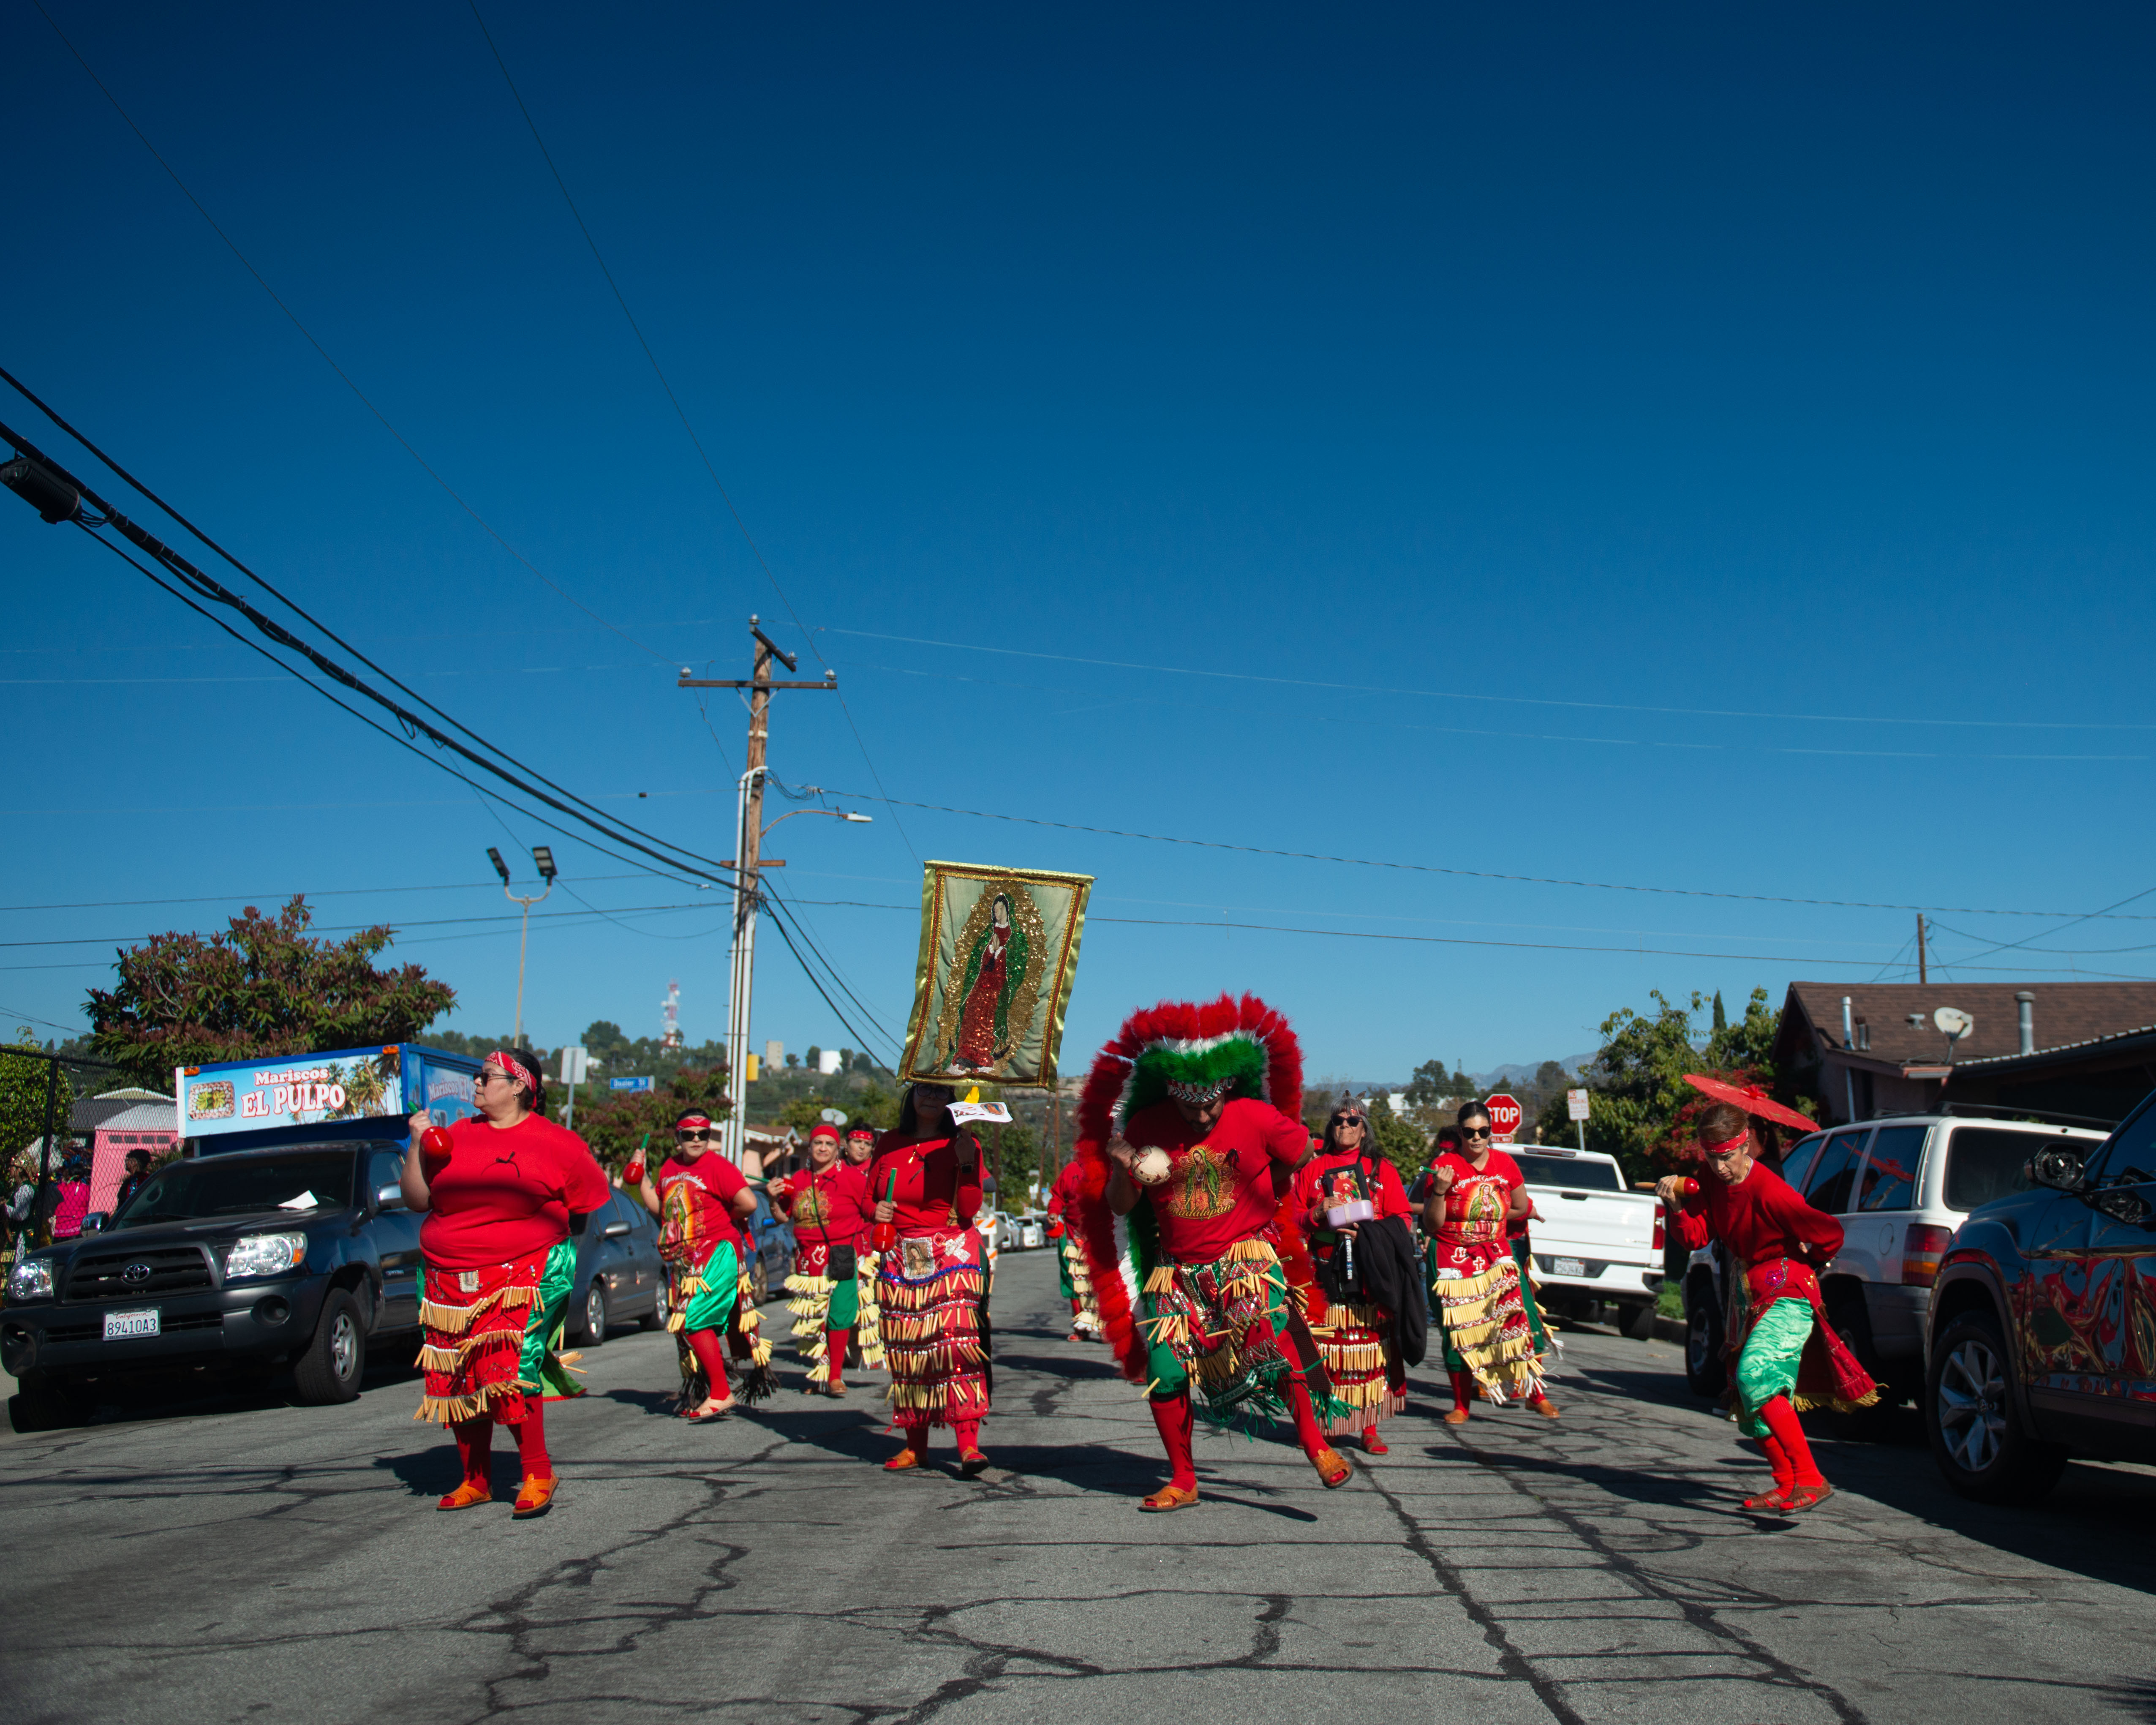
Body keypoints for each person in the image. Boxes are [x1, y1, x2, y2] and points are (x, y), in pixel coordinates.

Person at [1072, 994, 1353, 1512]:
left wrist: (1275, 1190)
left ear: (1226, 1087)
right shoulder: (1145, 1129)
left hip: (1245, 1260)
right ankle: (1183, 1478)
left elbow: (1304, 1151)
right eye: (1189, 1105)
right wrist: (1121, 1165)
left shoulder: (1256, 1115)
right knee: (1166, 1371)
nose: (1201, 1114)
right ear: (1170, 1093)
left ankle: (1317, 1446)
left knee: (1272, 1347)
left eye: (1211, 1103)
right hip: (1175, 1271)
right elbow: (1121, 1206)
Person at [402, 1048, 610, 1518]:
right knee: (460, 1374)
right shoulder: (451, 1137)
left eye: (487, 1076)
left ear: (520, 1086)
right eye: (477, 1076)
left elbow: (584, 1207)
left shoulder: (559, 1143)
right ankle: (475, 1479)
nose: (476, 1084)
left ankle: (537, 1472)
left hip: (524, 1271)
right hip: (447, 1276)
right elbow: (416, 1200)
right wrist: (417, 1142)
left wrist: (548, 1250)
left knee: (509, 1369)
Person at [1658, 1102, 1876, 1512]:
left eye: (1726, 1157)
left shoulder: (1771, 1190)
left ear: (1746, 1148)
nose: (1720, 1167)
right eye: (1711, 1157)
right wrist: (1674, 1206)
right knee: (1746, 1395)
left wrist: (1808, 1264)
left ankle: (1811, 1479)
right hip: (1747, 1294)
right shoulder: (1710, 1178)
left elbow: (1828, 1232)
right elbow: (1696, 1237)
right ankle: (1786, 1482)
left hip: (1787, 1292)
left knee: (1756, 1374)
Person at [868, 1083, 993, 1474]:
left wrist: (967, 1162)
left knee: (956, 1345)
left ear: (952, 1101)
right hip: (902, 1252)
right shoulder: (889, 1142)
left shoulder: (964, 1142)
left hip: (951, 1249)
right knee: (910, 1349)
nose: (932, 1099)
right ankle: (915, 1445)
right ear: (912, 1095)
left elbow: (971, 1207)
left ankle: (969, 1445)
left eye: (942, 1093)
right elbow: (867, 1197)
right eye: (925, 1090)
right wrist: (878, 1210)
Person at [1295, 1096, 1424, 1455]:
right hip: (1323, 1270)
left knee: (1372, 1349)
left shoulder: (1382, 1169)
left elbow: (1402, 1219)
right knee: (1326, 1350)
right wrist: (1318, 1212)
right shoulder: (1312, 1168)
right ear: (1330, 1127)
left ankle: (1369, 1427)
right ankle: (1330, 1421)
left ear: (1364, 1128)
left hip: (1371, 1272)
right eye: (1339, 1121)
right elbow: (1289, 1217)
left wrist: (1367, 1234)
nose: (1346, 1127)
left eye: (1353, 1122)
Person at [1421, 1104, 1558, 1423]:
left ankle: (1535, 1394)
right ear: (1460, 1132)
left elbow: (1521, 1205)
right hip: (1453, 1256)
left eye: (1483, 1131)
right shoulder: (1445, 1165)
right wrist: (1440, 1192)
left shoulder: (1505, 1163)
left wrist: (1491, 1215)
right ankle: (1461, 1404)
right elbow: (1431, 1223)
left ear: (1491, 1130)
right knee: (1460, 1329)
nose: (1477, 1138)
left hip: (1496, 1253)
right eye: (1470, 1132)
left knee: (1519, 1318)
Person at [637, 1113, 767, 1420]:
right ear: (677, 1138)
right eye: (689, 1134)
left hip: (717, 1250)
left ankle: (721, 1392)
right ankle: (708, 1390)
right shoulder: (669, 1167)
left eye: (703, 1134)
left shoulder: (718, 1166)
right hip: (686, 1259)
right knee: (685, 1328)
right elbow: (660, 1209)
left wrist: (721, 1216)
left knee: (693, 1319)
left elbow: (748, 1202)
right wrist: (641, 1176)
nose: (697, 1139)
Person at [773, 1122, 874, 1395]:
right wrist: (774, 1199)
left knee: (840, 1314)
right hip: (808, 1258)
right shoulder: (799, 1180)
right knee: (815, 1319)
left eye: (829, 1144)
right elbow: (783, 1216)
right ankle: (821, 1374)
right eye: (818, 1143)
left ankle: (836, 1376)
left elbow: (870, 1209)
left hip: (841, 1255)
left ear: (837, 1149)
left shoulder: (852, 1178)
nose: (823, 1148)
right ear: (810, 1147)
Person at [1044, 1155, 1102, 1342]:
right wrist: (1053, 1213)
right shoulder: (1071, 1170)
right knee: (1075, 1283)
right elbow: (1058, 1197)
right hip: (1071, 1235)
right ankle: (1080, 1328)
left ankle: (1104, 1328)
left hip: (1099, 1236)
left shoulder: (1107, 1168)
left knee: (1101, 1284)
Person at [113, 1147, 154, 1214]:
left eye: (129, 1159)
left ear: (135, 1162)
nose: (126, 1161)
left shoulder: (135, 1181)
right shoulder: (148, 1179)